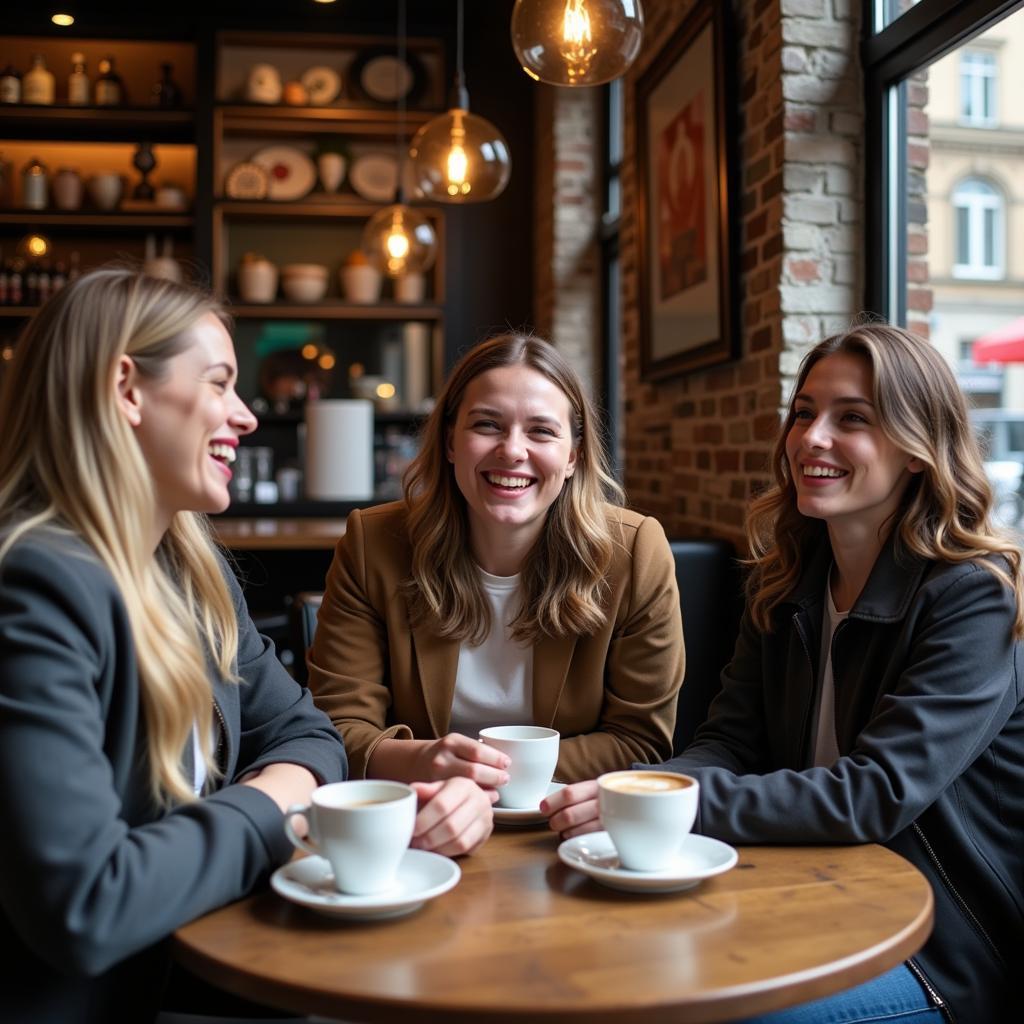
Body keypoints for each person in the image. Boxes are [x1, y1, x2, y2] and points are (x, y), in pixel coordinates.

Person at [0, 268, 490, 1024]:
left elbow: (309, 733)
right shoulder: (35, 586)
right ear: (126, 388)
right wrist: (274, 802)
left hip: (208, 963)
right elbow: (86, 906)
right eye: (221, 383)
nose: (247, 415)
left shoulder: (193, 575)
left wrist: (312, 798)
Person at [543, 324, 1023, 1023]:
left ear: (919, 450)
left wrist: (668, 807)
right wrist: (644, 792)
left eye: (852, 418)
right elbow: (728, 743)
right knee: (605, 968)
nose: (812, 438)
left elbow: (875, 793)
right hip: (807, 890)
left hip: (937, 944)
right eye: (804, 413)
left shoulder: (973, 595)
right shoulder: (787, 581)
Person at [308, 332, 684, 797]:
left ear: (573, 457)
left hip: (567, 817)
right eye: (487, 425)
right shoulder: (374, 543)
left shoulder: (635, 553)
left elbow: (641, 741)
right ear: (449, 442)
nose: (512, 450)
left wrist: (489, 777)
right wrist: (424, 761)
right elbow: (337, 726)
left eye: (541, 431)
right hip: (417, 808)